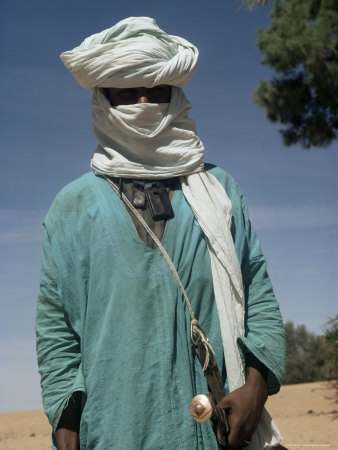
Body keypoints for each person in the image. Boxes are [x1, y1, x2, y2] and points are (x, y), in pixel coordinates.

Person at [36, 17, 286, 450]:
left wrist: (257, 385)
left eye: (156, 89)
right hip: (116, 427)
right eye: (127, 91)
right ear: (104, 98)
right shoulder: (72, 207)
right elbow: (56, 329)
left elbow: (257, 292)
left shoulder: (220, 190)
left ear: (176, 94)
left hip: (218, 428)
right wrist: (66, 421)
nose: (144, 101)